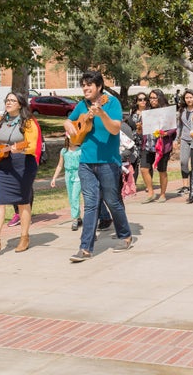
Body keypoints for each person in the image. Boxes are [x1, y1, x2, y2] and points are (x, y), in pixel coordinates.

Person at [64, 71, 133, 262]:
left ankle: (125, 235)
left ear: (99, 87)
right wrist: (68, 124)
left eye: (89, 85)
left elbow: (115, 128)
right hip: (86, 162)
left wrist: (101, 114)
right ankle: (85, 248)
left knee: (112, 202)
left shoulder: (111, 103)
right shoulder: (81, 105)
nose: (85, 88)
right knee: (91, 204)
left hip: (108, 162)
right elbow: (70, 120)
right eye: (83, 85)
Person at [0, 92, 39, 256]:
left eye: (13, 100)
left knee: (22, 201)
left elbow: (32, 146)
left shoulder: (28, 122)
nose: (9, 102)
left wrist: (19, 148)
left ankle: (24, 237)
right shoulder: (0, 121)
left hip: (23, 164)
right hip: (2, 164)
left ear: (20, 104)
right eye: (7, 100)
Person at [140, 89, 176, 203]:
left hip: (162, 145)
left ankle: (162, 194)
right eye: (150, 98)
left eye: (154, 98)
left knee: (162, 170)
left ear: (160, 98)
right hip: (148, 144)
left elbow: (173, 127)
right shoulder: (147, 111)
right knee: (144, 169)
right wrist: (140, 127)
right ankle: (150, 192)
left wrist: (167, 133)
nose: (152, 100)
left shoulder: (167, 111)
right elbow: (143, 128)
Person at [51, 137, 83, 230]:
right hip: (68, 175)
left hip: (78, 174)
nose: (72, 141)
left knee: (75, 197)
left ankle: (74, 220)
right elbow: (60, 165)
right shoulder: (64, 151)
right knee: (71, 198)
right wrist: (54, 178)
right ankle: (78, 217)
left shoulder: (80, 150)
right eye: (70, 139)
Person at [176, 89, 193, 196]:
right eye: (187, 98)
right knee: (183, 162)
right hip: (184, 138)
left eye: (191, 97)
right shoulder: (182, 110)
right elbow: (179, 126)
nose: (189, 100)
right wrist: (176, 139)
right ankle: (185, 185)